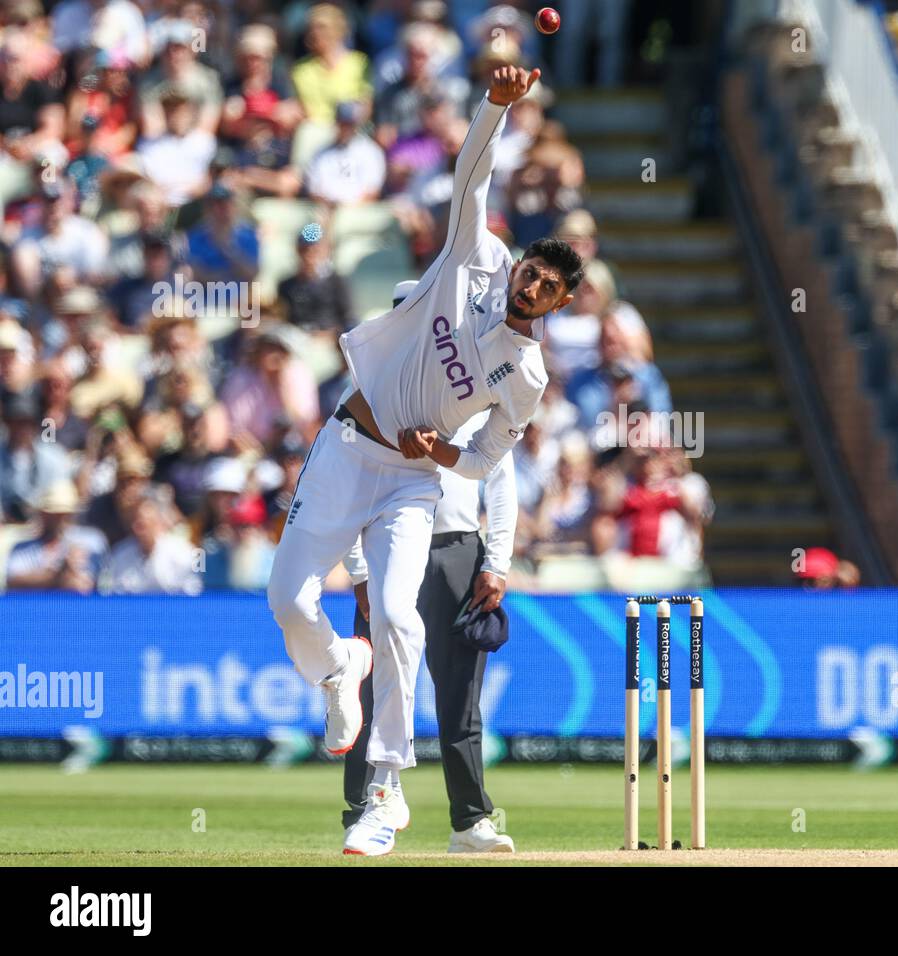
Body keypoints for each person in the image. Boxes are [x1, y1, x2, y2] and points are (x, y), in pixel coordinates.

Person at [266, 65, 581, 857]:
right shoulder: (471, 261)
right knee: (287, 600)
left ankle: (383, 795)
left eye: (549, 285)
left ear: (558, 304)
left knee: (402, 621)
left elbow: (488, 460)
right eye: (533, 270)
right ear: (518, 267)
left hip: (410, 484)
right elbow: (471, 175)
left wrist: (446, 453)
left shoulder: (529, 377)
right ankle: (339, 670)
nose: (534, 283)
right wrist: (495, 107)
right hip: (345, 448)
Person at [340, 282, 518, 853]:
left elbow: (502, 484)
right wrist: (360, 572)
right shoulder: (363, 392)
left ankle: (470, 822)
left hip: (454, 550)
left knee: (458, 691)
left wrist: (497, 562)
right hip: (385, 551)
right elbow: (338, 491)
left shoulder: (471, 391)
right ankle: (364, 811)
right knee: (374, 693)